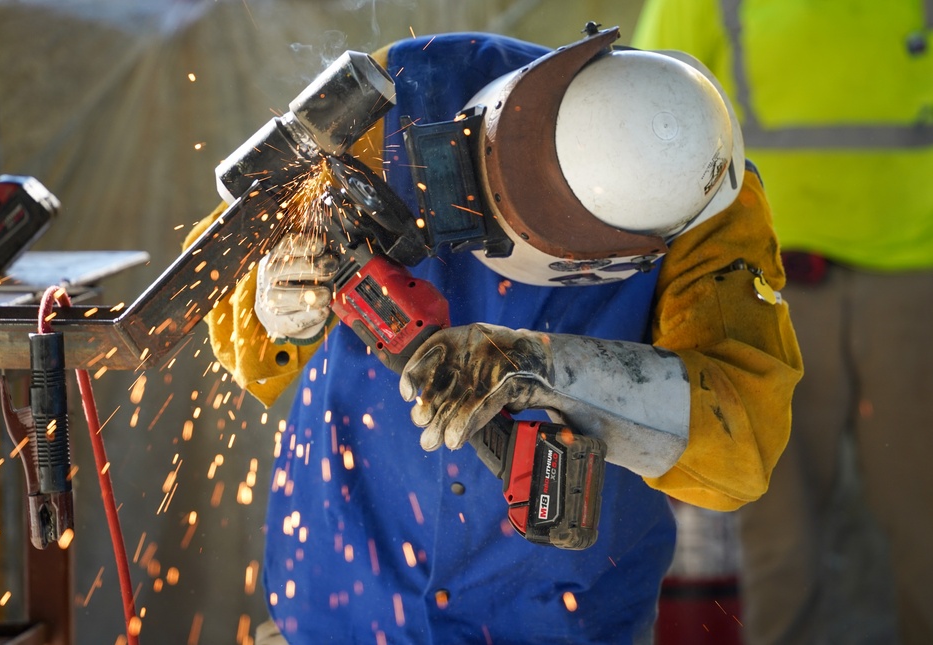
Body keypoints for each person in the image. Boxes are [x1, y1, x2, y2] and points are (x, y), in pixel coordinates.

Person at [186, 24, 802, 643]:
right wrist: (263, 301)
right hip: (339, 605)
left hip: (556, 620)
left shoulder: (704, 195)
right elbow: (213, 269)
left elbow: (742, 441)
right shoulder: (398, 90)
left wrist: (545, 370)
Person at [633, 2, 933, 644]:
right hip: (763, 291)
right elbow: (644, 109)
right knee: (776, 541)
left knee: (924, 528)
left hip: (913, 283)